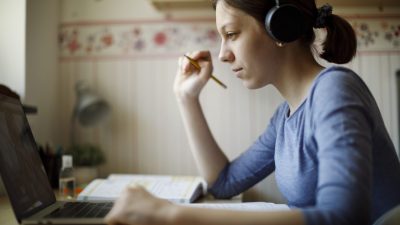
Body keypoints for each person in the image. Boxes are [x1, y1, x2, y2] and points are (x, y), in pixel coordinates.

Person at [105, 0, 400, 224]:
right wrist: (187, 98)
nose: (222, 54)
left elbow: (343, 216)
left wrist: (171, 214)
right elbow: (223, 182)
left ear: (280, 26)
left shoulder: (335, 90)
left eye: (231, 33)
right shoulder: (285, 119)